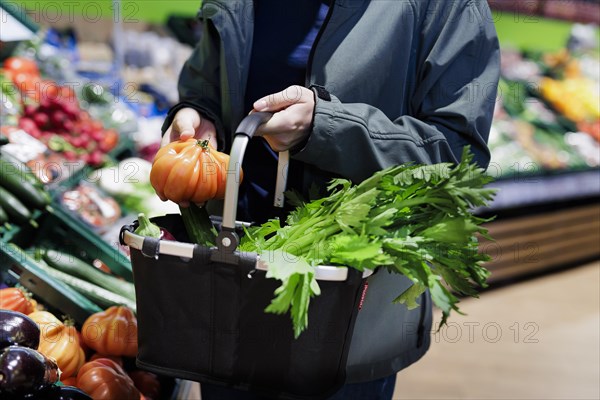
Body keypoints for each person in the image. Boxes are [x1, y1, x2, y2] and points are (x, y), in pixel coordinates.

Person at [161, 0, 500, 398]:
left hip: (348, 306)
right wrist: (197, 113)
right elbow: (207, 80)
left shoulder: (445, 8)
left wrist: (324, 129)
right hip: (229, 287)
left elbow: (458, 159)